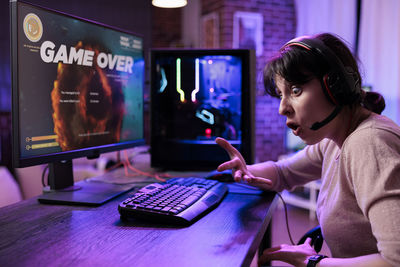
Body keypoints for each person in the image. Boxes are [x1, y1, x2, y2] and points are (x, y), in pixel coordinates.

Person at [215, 33, 400, 267]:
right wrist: (246, 170)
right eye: (281, 94)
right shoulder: (334, 139)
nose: (283, 109)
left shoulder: (370, 143)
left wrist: (313, 262)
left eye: (296, 91)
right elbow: (283, 173)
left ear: (335, 87)